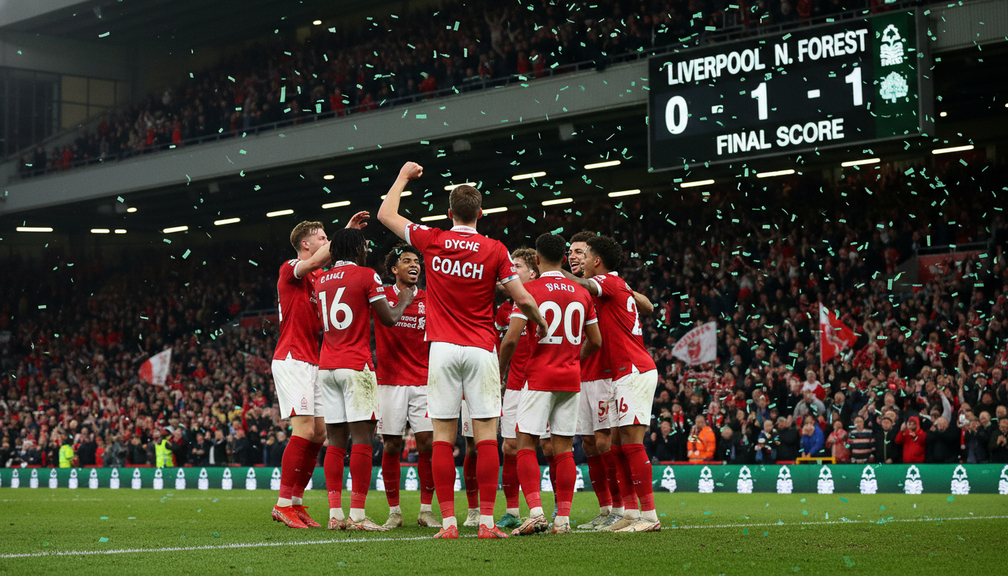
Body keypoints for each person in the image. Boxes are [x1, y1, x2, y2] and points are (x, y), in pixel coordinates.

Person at [377, 161, 547, 539]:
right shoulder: (495, 249)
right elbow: (522, 298)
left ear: (449, 213)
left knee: (442, 436)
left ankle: (449, 524)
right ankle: (485, 522)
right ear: (480, 213)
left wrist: (402, 176)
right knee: (485, 436)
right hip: (481, 349)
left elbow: (385, 214)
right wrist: (541, 321)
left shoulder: (432, 239)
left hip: (441, 350)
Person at [271, 214, 367, 529]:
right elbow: (314, 262)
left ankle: (296, 501)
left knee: (320, 433)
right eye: (322, 238)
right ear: (305, 243)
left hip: (314, 360)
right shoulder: (291, 268)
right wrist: (346, 233)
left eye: (328, 238)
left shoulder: (319, 278)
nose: (327, 242)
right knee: (303, 430)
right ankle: (282, 504)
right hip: (292, 357)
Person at [501, 233, 601, 535]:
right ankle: (563, 520)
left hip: (539, 376)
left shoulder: (529, 291)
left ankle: (534, 512)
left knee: (525, 443)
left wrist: (499, 372)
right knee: (564, 448)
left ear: (537, 259)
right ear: (564, 259)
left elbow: (511, 339)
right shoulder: (582, 293)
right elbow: (596, 341)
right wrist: (572, 358)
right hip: (570, 378)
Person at [315, 228, 413, 531]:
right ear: (356, 249)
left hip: (326, 366)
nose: (367, 251)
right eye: (364, 247)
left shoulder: (320, 280)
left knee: (335, 442)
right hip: (355, 366)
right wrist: (404, 300)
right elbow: (389, 319)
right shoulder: (366, 275)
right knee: (362, 440)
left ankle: (335, 515)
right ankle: (357, 515)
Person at [564, 234, 661, 532]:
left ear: (597, 260)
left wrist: (553, 273)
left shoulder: (608, 281)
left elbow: (584, 283)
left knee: (631, 444)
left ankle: (650, 516)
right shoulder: (616, 284)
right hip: (621, 372)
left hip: (633, 369)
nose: (579, 259)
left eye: (584, 254)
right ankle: (630, 512)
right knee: (618, 445)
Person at [373, 243, 439, 529]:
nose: (414, 265)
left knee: (428, 443)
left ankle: (426, 510)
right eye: (407, 261)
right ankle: (394, 512)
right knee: (391, 445)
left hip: (424, 381)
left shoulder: (429, 298)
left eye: (417, 261)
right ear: (394, 269)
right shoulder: (381, 295)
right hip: (389, 382)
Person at [495, 247, 539, 531]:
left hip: (540, 383)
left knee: (549, 446)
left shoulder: (541, 298)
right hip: (514, 386)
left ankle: (559, 512)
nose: (511, 271)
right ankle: (512, 511)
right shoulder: (504, 310)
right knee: (509, 446)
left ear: (533, 273)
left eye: (517, 266)